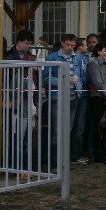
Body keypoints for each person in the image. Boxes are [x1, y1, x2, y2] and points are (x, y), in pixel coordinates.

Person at [43, 34, 85, 168]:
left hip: (74, 97)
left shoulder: (77, 58)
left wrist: (79, 83)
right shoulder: (52, 58)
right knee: (57, 132)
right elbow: (46, 78)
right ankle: (55, 163)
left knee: (68, 130)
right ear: (62, 43)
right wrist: (64, 79)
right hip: (59, 98)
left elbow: (82, 76)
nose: (70, 48)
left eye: (73, 45)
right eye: (68, 45)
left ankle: (64, 161)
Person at [5, 30, 35, 178]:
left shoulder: (26, 56)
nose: (29, 46)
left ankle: (25, 167)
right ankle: (17, 168)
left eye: (30, 44)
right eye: (27, 43)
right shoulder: (10, 57)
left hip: (26, 104)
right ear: (19, 42)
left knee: (25, 139)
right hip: (15, 105)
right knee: (17, 138)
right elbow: (9, 82)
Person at [87, 42, 106, 164]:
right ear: (99, 51)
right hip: (98, 99)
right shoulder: (93, 65)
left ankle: (105, 152)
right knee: (98, 127)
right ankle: (98, 154)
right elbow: (97, 83)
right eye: (105, 50)